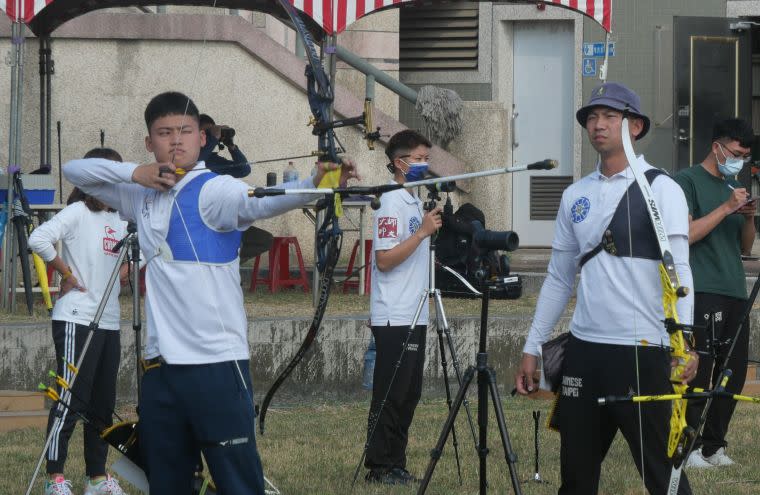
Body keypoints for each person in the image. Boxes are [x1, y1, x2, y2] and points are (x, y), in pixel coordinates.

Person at [63, 91, 357, 493]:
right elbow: (74, 170)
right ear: (150, 143)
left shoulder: (215, 191)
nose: (176, 141)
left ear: (203, 138)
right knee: (167, 481)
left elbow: (259, 203)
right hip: (160, 369)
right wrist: (137, 173)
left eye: (185, 131)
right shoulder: (139, 195)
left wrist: (317, 184)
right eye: (164, 133)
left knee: (237, 482)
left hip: (216, 366)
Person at [514, 82, 698, 494]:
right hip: (585, 351)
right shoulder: (575, 194)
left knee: (663, 472)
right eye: (592, 118)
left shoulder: (663, 189)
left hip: (644, 350)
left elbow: (680, 269)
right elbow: (560, 277)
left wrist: (684, 341)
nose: (598, 125)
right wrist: (532, 347)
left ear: (634, 126)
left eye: (609, 117)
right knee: (576, 475)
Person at [29, 148, 129, 495]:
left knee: (102, 403)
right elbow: (37, 239)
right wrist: (66, 274)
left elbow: (137, 257)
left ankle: (96, 477)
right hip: (76, 318)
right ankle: (54, 478)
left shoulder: (123, 218)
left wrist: (123, 273)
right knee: (72, 400)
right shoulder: (76, 213)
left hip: (110, 322)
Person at [674, 118, 756, 468]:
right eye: (736, 154)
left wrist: (749, 217)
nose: (739, 162)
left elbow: (746, 247)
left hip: (735, 288)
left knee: (732, 372)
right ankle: (688, 446)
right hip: (701, 289)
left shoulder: (735, 185)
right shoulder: (686, 181)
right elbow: (686, 234)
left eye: (745, 157)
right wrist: (725, 208)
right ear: (717, 147)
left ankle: (713, 445)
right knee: (701, 367)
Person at [364, 129, 442, 485]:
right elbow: (384, 260)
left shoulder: (413, 201)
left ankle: (397, 461)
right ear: (400, 162)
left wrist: (429, 229)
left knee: (409, 393)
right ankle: (379, 465)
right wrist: (422, 233)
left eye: (427, 158)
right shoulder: (390, 201)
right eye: (419, 158)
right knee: (391, 392)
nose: (424, 165)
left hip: (416, 310)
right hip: (393, 313)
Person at [198, 113, 251, 177]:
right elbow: (194, 164)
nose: (206, 137)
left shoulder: (213, 160)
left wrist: (231, 146)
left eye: (208, 134)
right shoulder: (185, 158)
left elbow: (244, 170)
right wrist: (213, 140)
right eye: (203, 133)